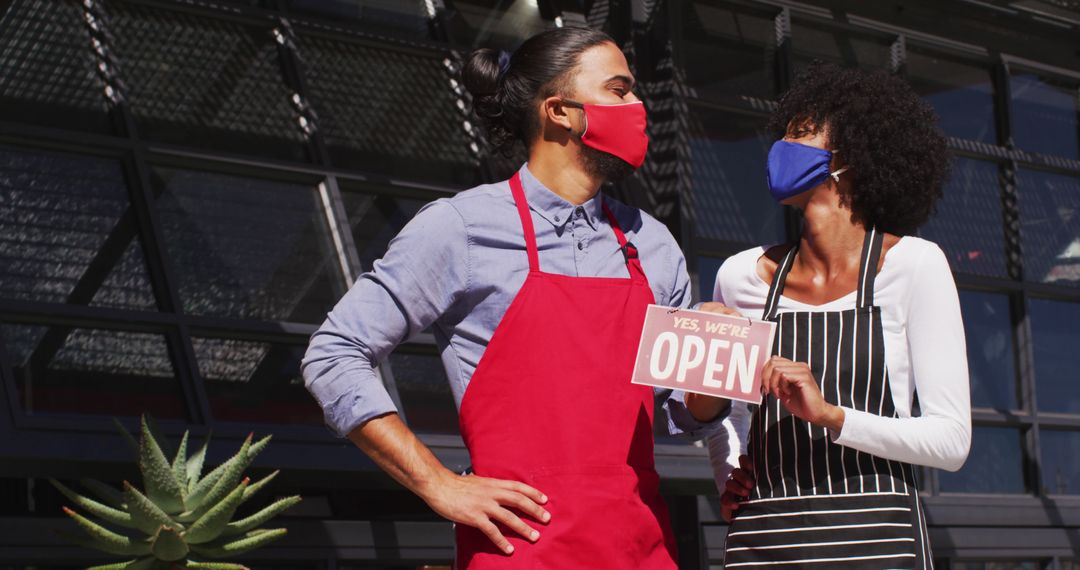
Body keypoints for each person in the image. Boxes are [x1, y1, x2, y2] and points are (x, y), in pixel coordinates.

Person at [301, 27, 728, 569]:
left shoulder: (652, 243)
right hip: (518, 551)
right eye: (619, 90)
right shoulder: (461, 228)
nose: (638, 106)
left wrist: (713, 362)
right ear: (560, 111)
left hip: (641, 549)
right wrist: (437, 484)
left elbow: (679, 418)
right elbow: (333, 354)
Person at [706, 62, 972, 568]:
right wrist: (729, 476)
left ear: (851, 155)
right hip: (766, 540)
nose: (781, 149)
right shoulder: (740, 276)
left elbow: (951, 440)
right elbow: (729, 416)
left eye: (800, 135)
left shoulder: (914, 266)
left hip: (879, 541)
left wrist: (831, 416)